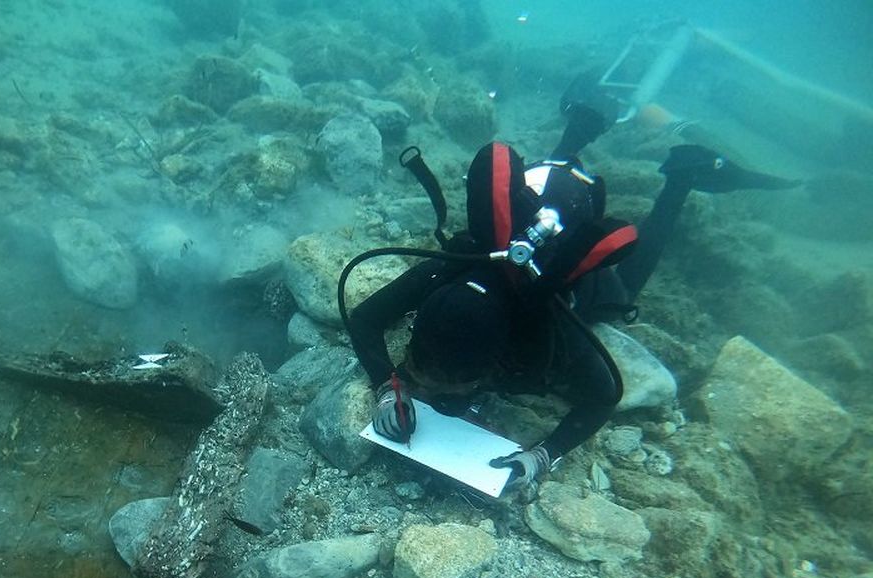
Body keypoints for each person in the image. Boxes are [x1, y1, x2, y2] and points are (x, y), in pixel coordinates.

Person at [342, 78, 799, 490]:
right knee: (547, 183)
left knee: (625, 291)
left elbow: (605, 397)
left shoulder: (550, 325)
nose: (432, 394)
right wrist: (390, 385)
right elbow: (364, 318)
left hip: (570, 202)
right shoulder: (452, 267)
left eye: (441, 384)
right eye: (424, 374)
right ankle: (581, 125)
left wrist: (545, 455)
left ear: (492, 364)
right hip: (540, 187)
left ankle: (680, 181)